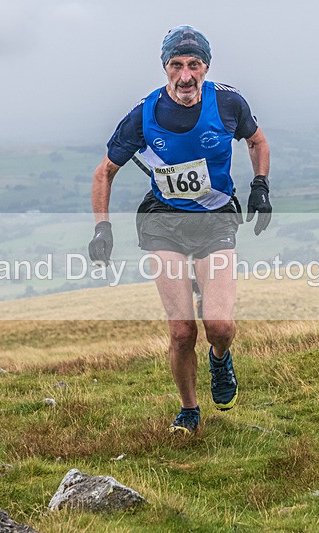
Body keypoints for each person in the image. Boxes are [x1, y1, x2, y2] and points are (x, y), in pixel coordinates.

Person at [88, 25, 271, 435]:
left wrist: (260, 186)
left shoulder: (227, 102)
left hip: (215, 217)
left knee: (219, 327)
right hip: (164, 220)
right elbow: (105, 172)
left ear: (206, 66)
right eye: (176, 65)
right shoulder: (144, 114)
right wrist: (102, 229)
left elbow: (257, 141)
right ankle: (189, 411)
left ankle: (220, 359)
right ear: (164, 67)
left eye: (194, 65)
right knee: (181, 328)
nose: (185, 75)